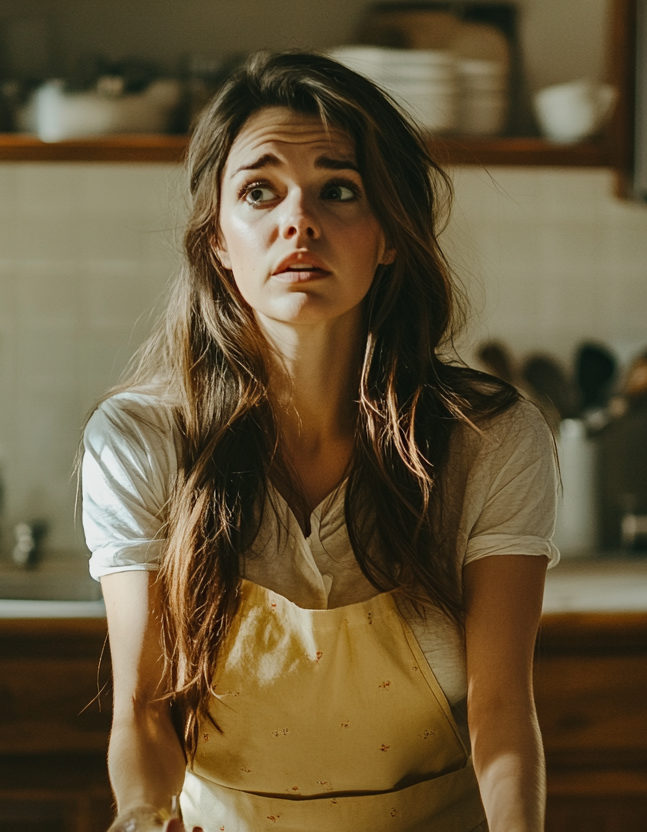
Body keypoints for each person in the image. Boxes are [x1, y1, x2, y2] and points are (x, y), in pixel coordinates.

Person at [81, 51, 559, 832]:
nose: (297, 220)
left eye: (339, 189)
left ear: (392, 236)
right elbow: (142, 708)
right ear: (218, 243)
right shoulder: (142, 443)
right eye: (259, 191)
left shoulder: (490, 439)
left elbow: (503, 708)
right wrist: (141, 815)